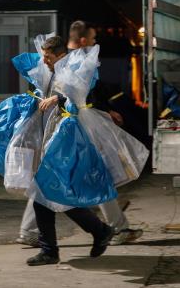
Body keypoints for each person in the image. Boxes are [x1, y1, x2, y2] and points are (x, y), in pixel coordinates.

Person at [16, 20, 143, 248]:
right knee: (83, 174)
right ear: (83, 40)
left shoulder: (62, 63)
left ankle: (32, 231)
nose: (94, 43)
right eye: (93, 39)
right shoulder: (70, 63)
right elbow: (77, 96)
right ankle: (111, 228)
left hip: (70, 127)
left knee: (76, 174)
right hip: (73, 128)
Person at [26, 36, 114, 266]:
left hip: (70, 140)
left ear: (60, 56)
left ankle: (96, 232)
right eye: (43, 56)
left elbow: (79, 97)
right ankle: (96, 232)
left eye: (48, 57)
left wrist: (58, 98)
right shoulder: (53, 73)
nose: (44, 61)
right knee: (47, 195)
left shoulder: (76, 71)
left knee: (48, 193)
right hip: (57, 137)